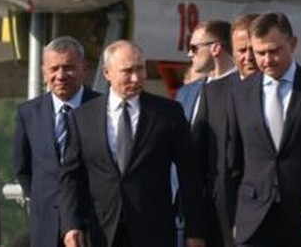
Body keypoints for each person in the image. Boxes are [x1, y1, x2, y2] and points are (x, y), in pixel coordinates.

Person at [59, 40, 206, 247]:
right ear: (107, 72)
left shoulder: (168, 114)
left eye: (140, 69)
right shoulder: (82, 118)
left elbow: (189, 174)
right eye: (127, 71)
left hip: (154, 231)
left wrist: (195, 231)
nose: (136, 78)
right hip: (102, 231)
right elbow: (71, 177)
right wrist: (71, 225)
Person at [227, 12, 301, 246]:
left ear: (293, 44)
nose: (267, 60)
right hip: (254, 220)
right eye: (260, 53)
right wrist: (235, 217)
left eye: (274, 51)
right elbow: (234, 159)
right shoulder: (240, 93)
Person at [13, 36, 101, 247]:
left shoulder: (102, 108)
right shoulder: (28, 113)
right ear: (44, 71)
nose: (60, 76)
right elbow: (22, 170)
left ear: (84, 69)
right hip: (46, 226)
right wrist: (42, 202)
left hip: (94, 224)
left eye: (68, 68)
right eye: (54, 69)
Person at [188, 20, 238, 246]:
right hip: (198, 215)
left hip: (232, 214)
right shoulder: (187, 93)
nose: (189, 54)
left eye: (194, 48)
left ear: (216, 48)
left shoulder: (242, 88)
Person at [230, 13, 260, 79]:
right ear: (232, 53)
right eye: (242, 51)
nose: (249, 57)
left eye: (254, 50)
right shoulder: (216, 88)